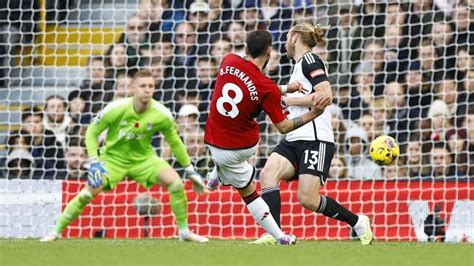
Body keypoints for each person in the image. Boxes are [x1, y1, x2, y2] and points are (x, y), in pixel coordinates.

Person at [40, 70, 208, 243]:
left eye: (151, 86)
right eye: (143, 86)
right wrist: (94, 162)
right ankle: (55, 232)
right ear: (133, 88)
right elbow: (91, 131)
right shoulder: (116, 108)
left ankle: (184, 232)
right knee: (86, 195)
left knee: (176, 184)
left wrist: (190, 170)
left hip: (144, 160)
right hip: (113, 160)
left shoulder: (162, 113)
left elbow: (175, 142)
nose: (147, 90)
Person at [249, 23, 373, 245]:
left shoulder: (310, 60)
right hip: (295, 137)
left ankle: (357, 221)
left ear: (295, 37)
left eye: (287, 37)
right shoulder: (297, 67)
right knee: (268, 173)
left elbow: (325, 95)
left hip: (316, 139)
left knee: (307, 199)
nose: (285, 43)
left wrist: (287, 99)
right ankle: (274, 234)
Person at [205, 30, 326, 245]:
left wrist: (285, 89)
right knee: (249, 192)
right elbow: (284, 126)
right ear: (269, 53)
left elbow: (250, 81)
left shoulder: (228, 60)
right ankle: (281, 237)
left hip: (213, 135)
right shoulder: (267, 88)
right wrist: (312, 113)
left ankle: (216, 176)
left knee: (228, 131)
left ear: (245, 48)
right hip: (240, 148)